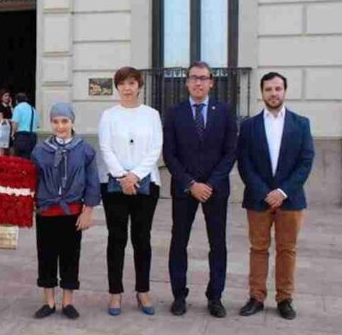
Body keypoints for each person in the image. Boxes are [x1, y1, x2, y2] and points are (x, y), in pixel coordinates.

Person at [237, 72, 314, 320]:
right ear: (262, 93)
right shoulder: (249, 126)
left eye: (278, 89)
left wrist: (282, 192)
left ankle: (285, 299)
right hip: (258, 199)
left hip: (290, 199)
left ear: (285, 91)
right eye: (268, 89)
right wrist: (264, 192)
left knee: (287, 249)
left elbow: (306, 161)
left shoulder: (301, 124)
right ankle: (256, 297)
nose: (273, 93)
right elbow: (244, 162)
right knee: (258, 248)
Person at [163, 62, 237, 318]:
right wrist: (191, 184)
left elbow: (230, 153)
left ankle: (215, 296)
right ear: (186, 82)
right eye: (194, 78)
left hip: (216, 189)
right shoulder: (174, 113)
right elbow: (169, 154)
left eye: (203, 78)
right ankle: (179, 295)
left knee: (217, 243)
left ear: (212, 83)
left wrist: (210, 184)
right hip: (185, 189)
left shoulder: (225, 112)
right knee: (178, 241)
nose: (198, 83)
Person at [98, 66, 162, 316]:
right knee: (116, 240)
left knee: (141, 239)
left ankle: (143, 290)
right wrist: (123, 176)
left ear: (139, 86)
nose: (127, 88)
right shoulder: (108, 115)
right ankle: (115, 292)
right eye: (122, 83)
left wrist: (136, 175)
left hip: (146, 184)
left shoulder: (152, 115)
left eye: (132, 83)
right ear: (117, 87)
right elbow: (105, 148)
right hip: (114, 186)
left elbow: (156, 147)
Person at [31, 103, 100, 320]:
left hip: (72, 212)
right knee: (46, 255)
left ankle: (68, 301)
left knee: (71, 255)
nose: (60, 126)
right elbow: (32, 179)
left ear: (72, 122)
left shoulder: (85, 150)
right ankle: (49, 300)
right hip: (46, 211)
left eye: (64, 121)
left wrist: (87, 210)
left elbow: (92, 182)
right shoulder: (40, 150)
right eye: (55, 121)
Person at [11, 92, 39, 159]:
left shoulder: (18, 108)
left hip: (22, 136)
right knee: (29, 158)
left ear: (17, 101)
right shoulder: (33, 109)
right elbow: (37, 125)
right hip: (33, 136)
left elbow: (15, 123)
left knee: (20, 159)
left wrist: (12, 133)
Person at [0, 89, 13, 156]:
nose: (7, 97)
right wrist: (11, 120)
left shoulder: (9, 107)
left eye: (8, 96)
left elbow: (15, 116)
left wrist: (11, 106)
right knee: (2, 151)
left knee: (11, 150)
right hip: (2, 131)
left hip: (10, 130)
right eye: (5, 96)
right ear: (1, 97)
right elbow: (1, 120)